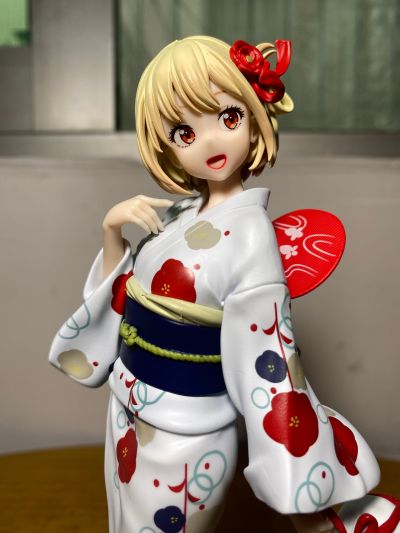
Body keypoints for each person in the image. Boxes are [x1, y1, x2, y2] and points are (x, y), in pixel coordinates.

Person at [49, 36, 398, 533]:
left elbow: (267, 351)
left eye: (229, 118)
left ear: (255, 116)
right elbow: (122, 299)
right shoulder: (178, 214)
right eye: (184, 132)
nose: (210, 142)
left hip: (187, 428)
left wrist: (291, 465)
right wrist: (111, 230)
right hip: (127, 406)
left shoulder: (251, 234)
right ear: (164, 143)